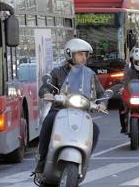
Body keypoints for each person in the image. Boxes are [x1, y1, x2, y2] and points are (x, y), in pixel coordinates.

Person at [34, 38, 107, 174]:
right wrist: (47, 94)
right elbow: (45, 87)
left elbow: (101, 93)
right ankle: (42, 158)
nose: (83, 57)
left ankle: (84, 158)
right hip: (60, 110)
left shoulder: (90, 74)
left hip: (81, 112)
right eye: (80, 54)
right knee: (48, 122)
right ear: (70, 54)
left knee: (95, 130)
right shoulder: (57, 72)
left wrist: (102, 103)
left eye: (85, 54)